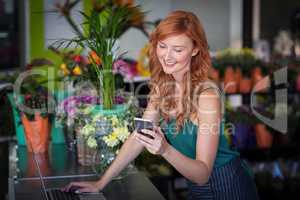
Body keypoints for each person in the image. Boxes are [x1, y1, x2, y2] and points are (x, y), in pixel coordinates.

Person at [64, 10, 260, 200]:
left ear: (195, 50)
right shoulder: (162, 87)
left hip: (227, 186)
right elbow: (139, 137)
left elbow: (202, 174)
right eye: (163, 46)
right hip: (196, 187)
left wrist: (165, 149)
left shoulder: (206, 96)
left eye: (178, 49)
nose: (167, 56)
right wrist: (101, 183)